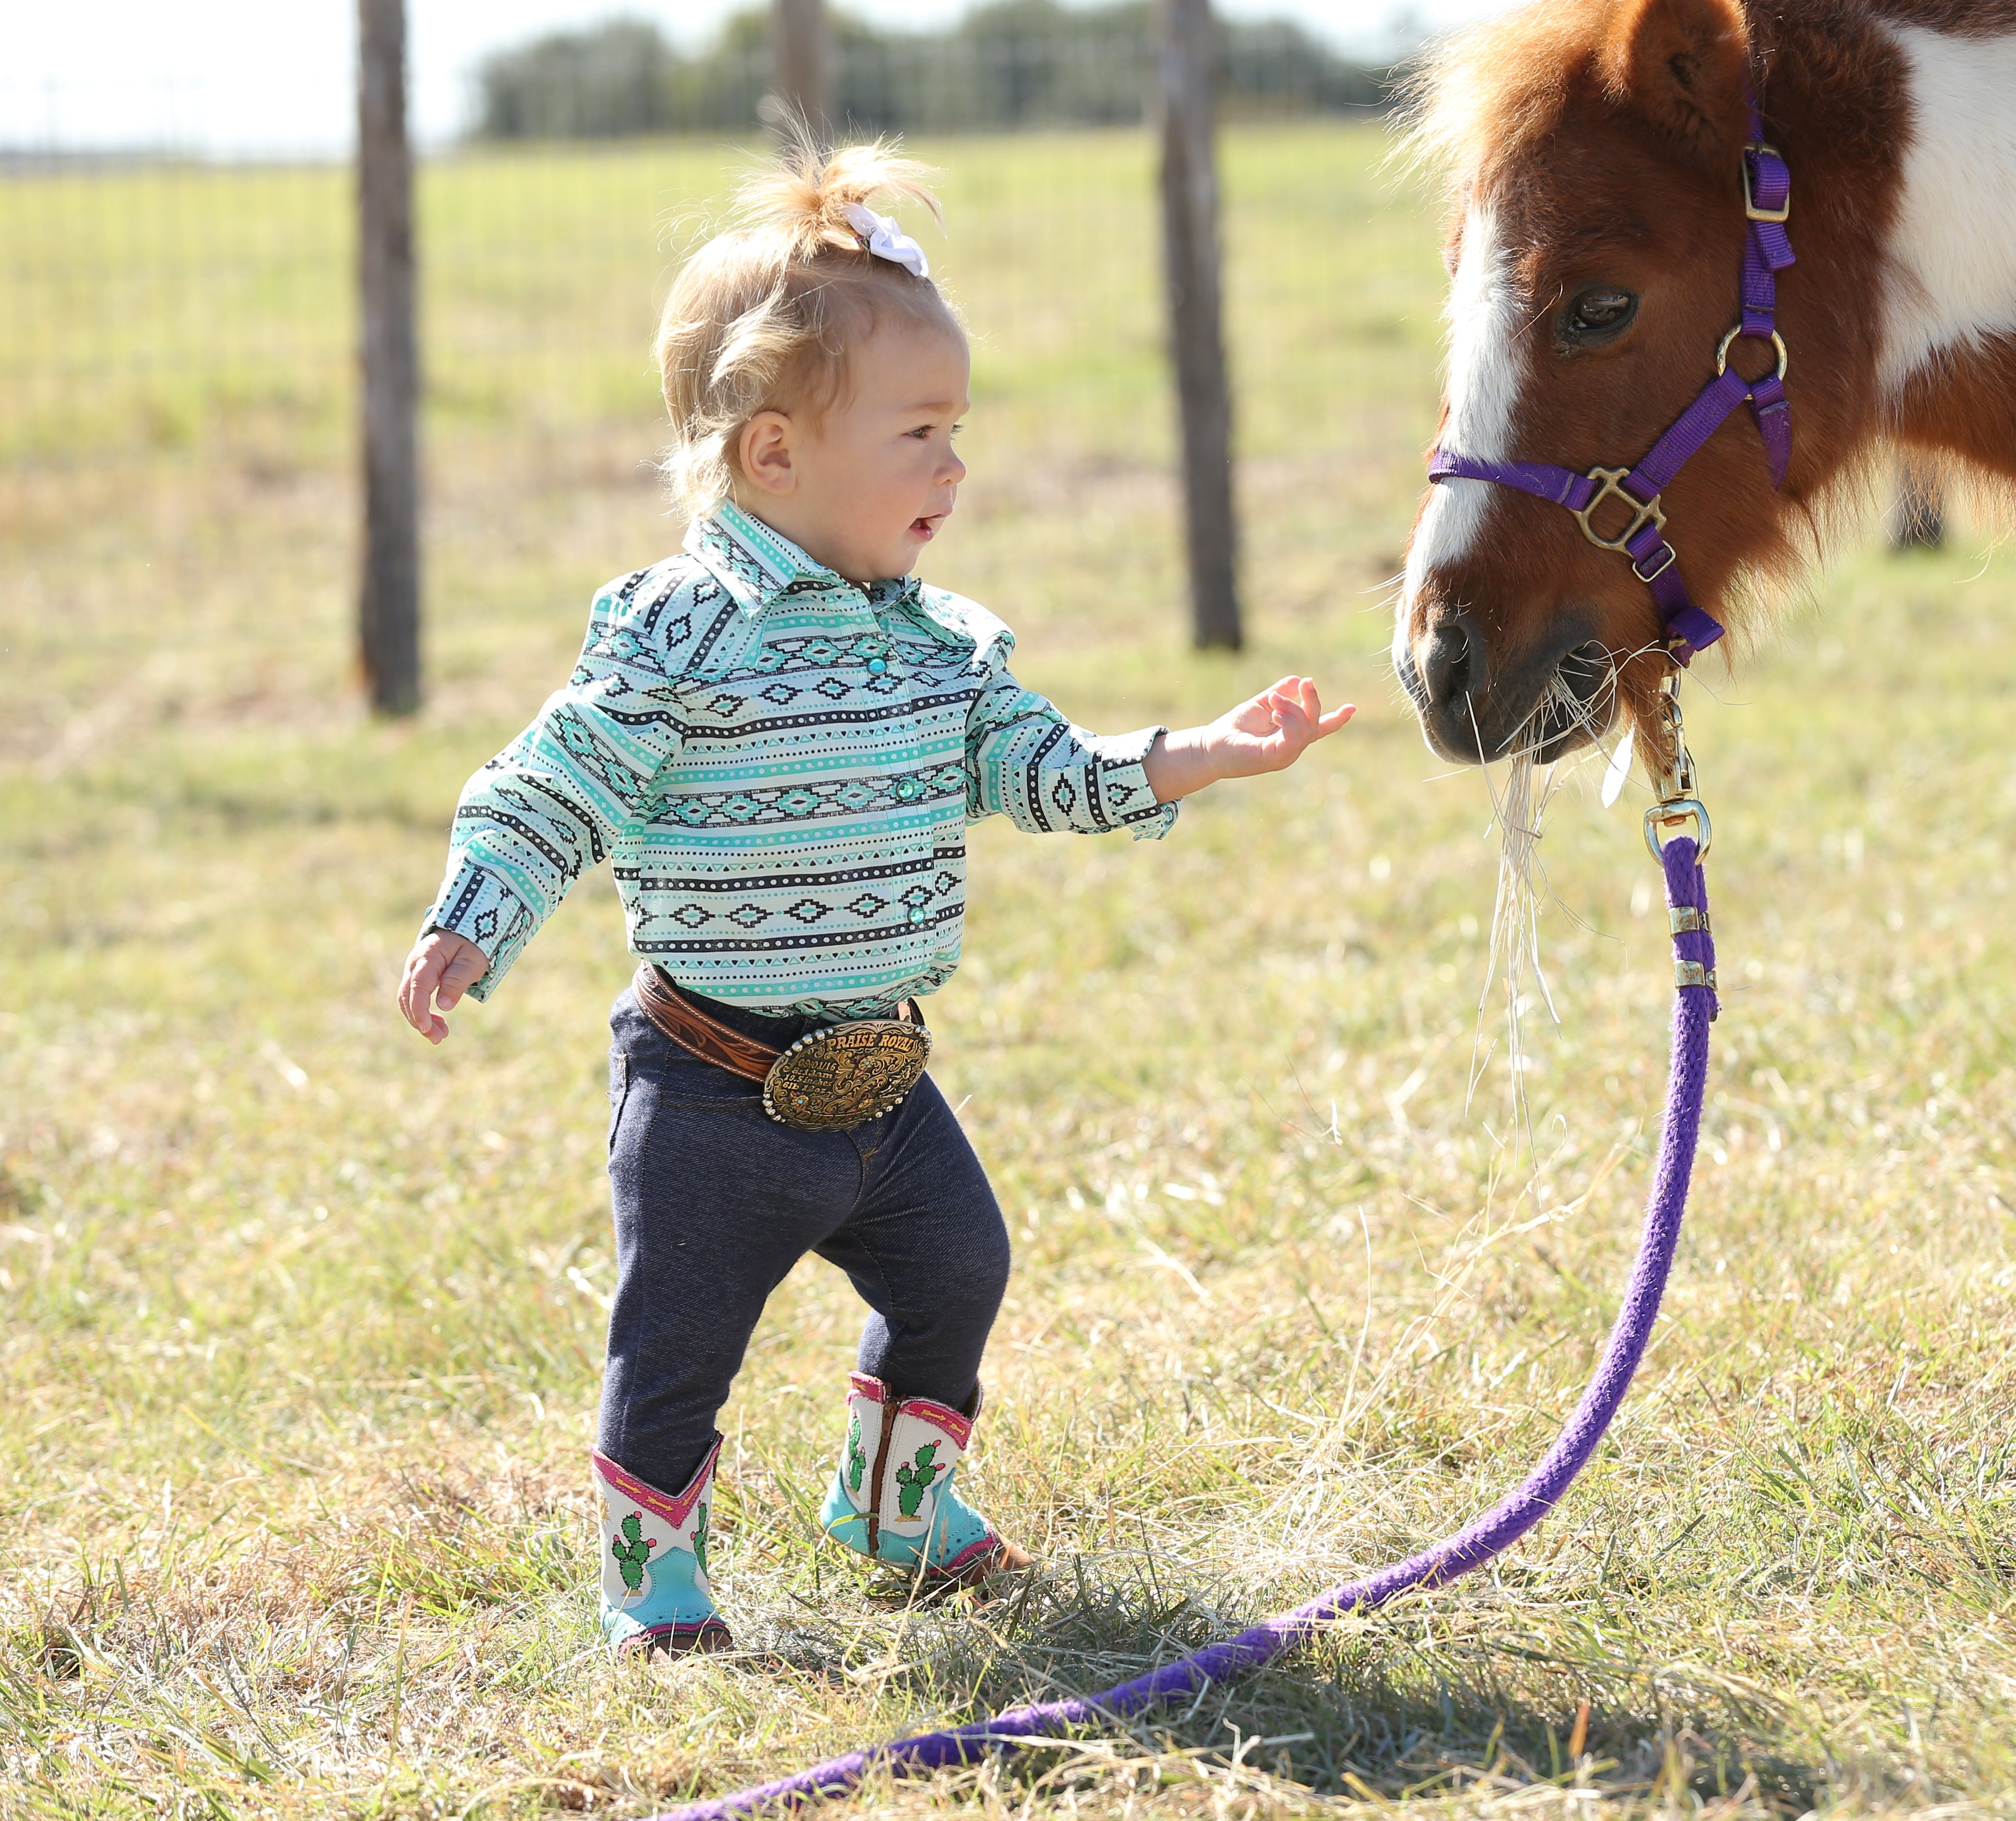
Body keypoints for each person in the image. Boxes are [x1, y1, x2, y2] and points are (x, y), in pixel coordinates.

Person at [394, 142, 1354, 1657]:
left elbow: (1042, 769)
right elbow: (553, 785)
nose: (955, 470)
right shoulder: (680, 633)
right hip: (710, 1085)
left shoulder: (935, 644)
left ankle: (896, 1509)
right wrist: (476, 912)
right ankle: (653, 1582)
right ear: (773, 454)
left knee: (960, 1266)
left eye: (957, 431)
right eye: (920, 434)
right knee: (678, 1342)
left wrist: (1198, 757)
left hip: (881, 1077)